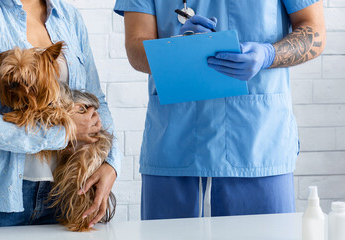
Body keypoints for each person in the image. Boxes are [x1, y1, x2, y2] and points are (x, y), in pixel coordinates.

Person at [114, 0, 325, 219]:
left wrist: (268, 54)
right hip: (175, 146)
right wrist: (177, 50)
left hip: (258, 146)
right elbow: (135, 46)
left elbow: (314, 30)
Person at [0, 0, 121, 228]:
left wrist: (111, 163)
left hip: (68, 192)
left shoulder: (69, 17)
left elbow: (97, 99)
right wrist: (63, 132)